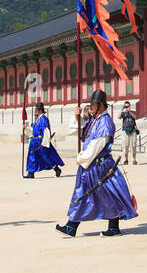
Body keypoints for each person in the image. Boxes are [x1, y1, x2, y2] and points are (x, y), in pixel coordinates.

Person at [56, 90, 136, 237]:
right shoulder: (94, 120)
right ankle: (71, 225)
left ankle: (111, 227)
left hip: (100, 165)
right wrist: (76, 116)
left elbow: (98, 144)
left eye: (93, 104)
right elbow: (81, 134)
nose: (90, 107)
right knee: (86, 194)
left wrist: (82, 158)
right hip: (92, 165)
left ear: (100, 105)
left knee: (108, 194)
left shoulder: (105, 121)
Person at [25, 102, 64, 177]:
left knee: (46, 156)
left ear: (39, 110)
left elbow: (46, 130)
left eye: (36, 109)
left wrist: (45, 141)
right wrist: (26, 128)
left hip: (40, 141)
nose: (35, 111)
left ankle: (56, 169)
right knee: (32, 156)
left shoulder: (43, 119)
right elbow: (33, 130)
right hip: (34, 141)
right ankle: (31, 173)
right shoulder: (37, 119)